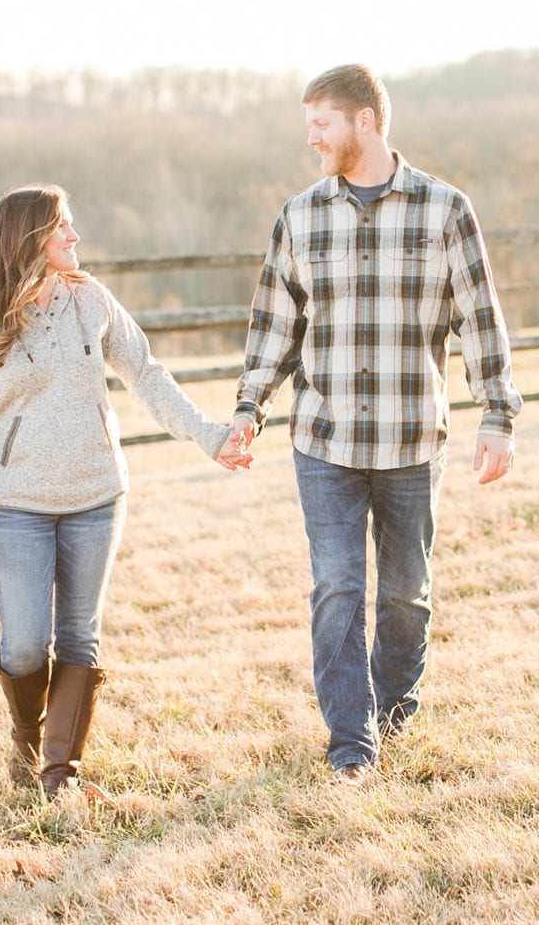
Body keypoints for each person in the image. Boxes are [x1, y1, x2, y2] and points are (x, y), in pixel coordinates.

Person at [219, 64, 523, 784]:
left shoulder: (444, 209)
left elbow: (481, 316)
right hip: (324, 440)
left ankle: (394, 714)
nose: (313, 140)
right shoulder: (300, 216)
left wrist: (498, 413)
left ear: (365, 121)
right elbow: (274, 325)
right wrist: (248, 407)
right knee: (337, 588)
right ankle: (351, 743)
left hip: (413, 439)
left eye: (322, 124)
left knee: (406, 594)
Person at [0, 183, 248, 797]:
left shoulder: (93, 303)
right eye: (64, 228)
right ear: (32, 238)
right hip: (17, 504)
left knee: (80, 635)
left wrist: (209, 436)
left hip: (96, 495)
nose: (75, 238)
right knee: (27, 645)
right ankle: (27, 742)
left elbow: (148, 376)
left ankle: (60, 777)